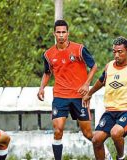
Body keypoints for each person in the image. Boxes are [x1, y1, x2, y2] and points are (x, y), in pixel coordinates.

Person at [37, 20, 99, 160]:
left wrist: (86, 84)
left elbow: (94, 66)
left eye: (63, 32)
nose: (61, 35)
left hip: (79, 96)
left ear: (68, 33)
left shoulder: (79, 49)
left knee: (88, 134)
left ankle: (106, 155)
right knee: (58, 130)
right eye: (58, 32)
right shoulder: (48, 54)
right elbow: (47, 73)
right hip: (60, 96)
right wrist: (42, 88)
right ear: (54, 34)